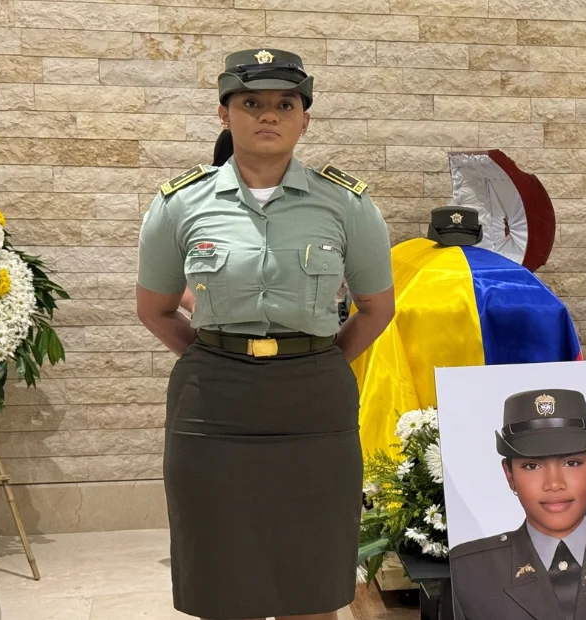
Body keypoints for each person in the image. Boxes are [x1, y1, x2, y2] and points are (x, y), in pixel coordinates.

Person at [135, 48, 396, 620]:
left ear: (305, 118)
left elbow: (377, 308)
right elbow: (155, 309)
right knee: (221, 574)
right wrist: (215, 355)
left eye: (285, 103)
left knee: (311, 574)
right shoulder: (179, 203)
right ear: (225, 114)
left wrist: (319, 358)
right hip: (213, 407)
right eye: (251, 102)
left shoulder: (346, 204)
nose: (268, 115)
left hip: (314, 405)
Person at [448, 388, 586, 620]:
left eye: (572, 462)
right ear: (509, 476)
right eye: (532, 466)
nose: (554, 484)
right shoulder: (468, 571)